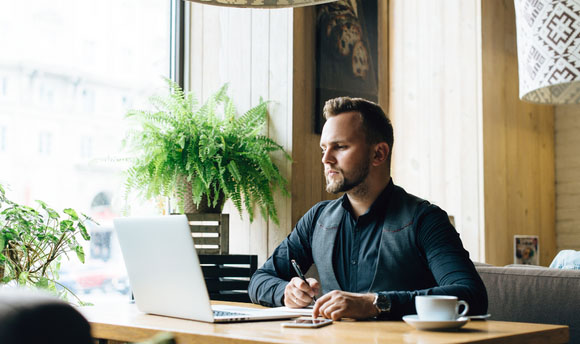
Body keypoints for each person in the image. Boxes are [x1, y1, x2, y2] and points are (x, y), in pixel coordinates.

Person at [248, 97, 488, 320]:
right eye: (324, 149)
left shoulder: (426, 220)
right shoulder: (316, 219)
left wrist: (376, 303)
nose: (326, 159)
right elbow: (259, 280)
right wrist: (285, 292)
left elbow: (471, 295)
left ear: (379, 153)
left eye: (339, 147)